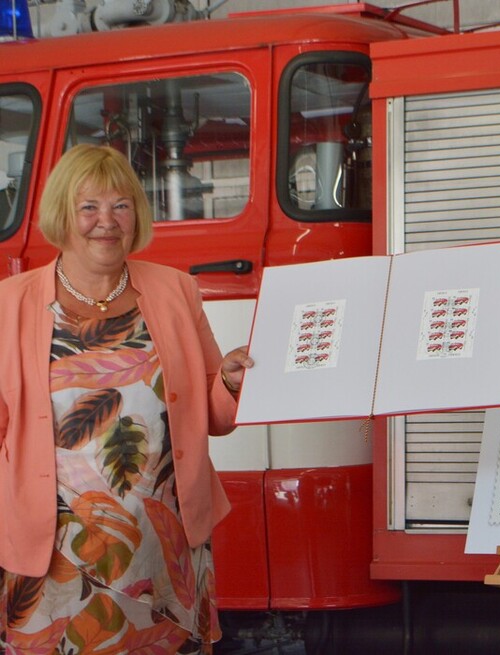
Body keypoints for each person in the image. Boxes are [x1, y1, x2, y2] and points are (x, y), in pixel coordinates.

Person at [0, 143, 253, 654]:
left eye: (120, 205)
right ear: (62, 216)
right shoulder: (10, 303)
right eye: (88, 207)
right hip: (55, 548)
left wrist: (226, 380)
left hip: (165, 542)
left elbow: (216, 417)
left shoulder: (175, 291)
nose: (106, 221)